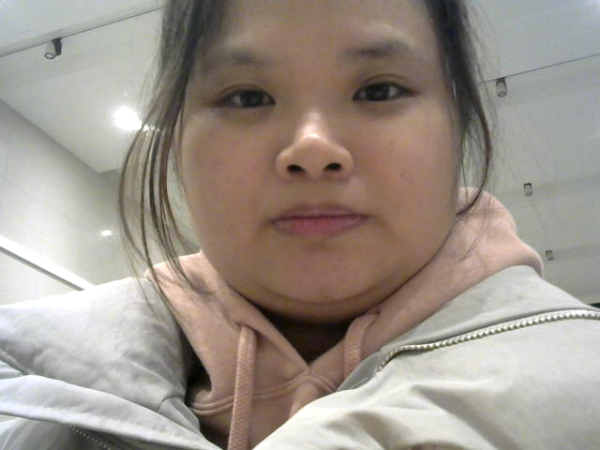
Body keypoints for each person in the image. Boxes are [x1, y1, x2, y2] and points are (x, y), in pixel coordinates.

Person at [1, 0, 599, 449]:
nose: (313, 148)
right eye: (248, 97)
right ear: (177, 139)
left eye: (379, 90)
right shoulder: (28, 390)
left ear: (458, 126)